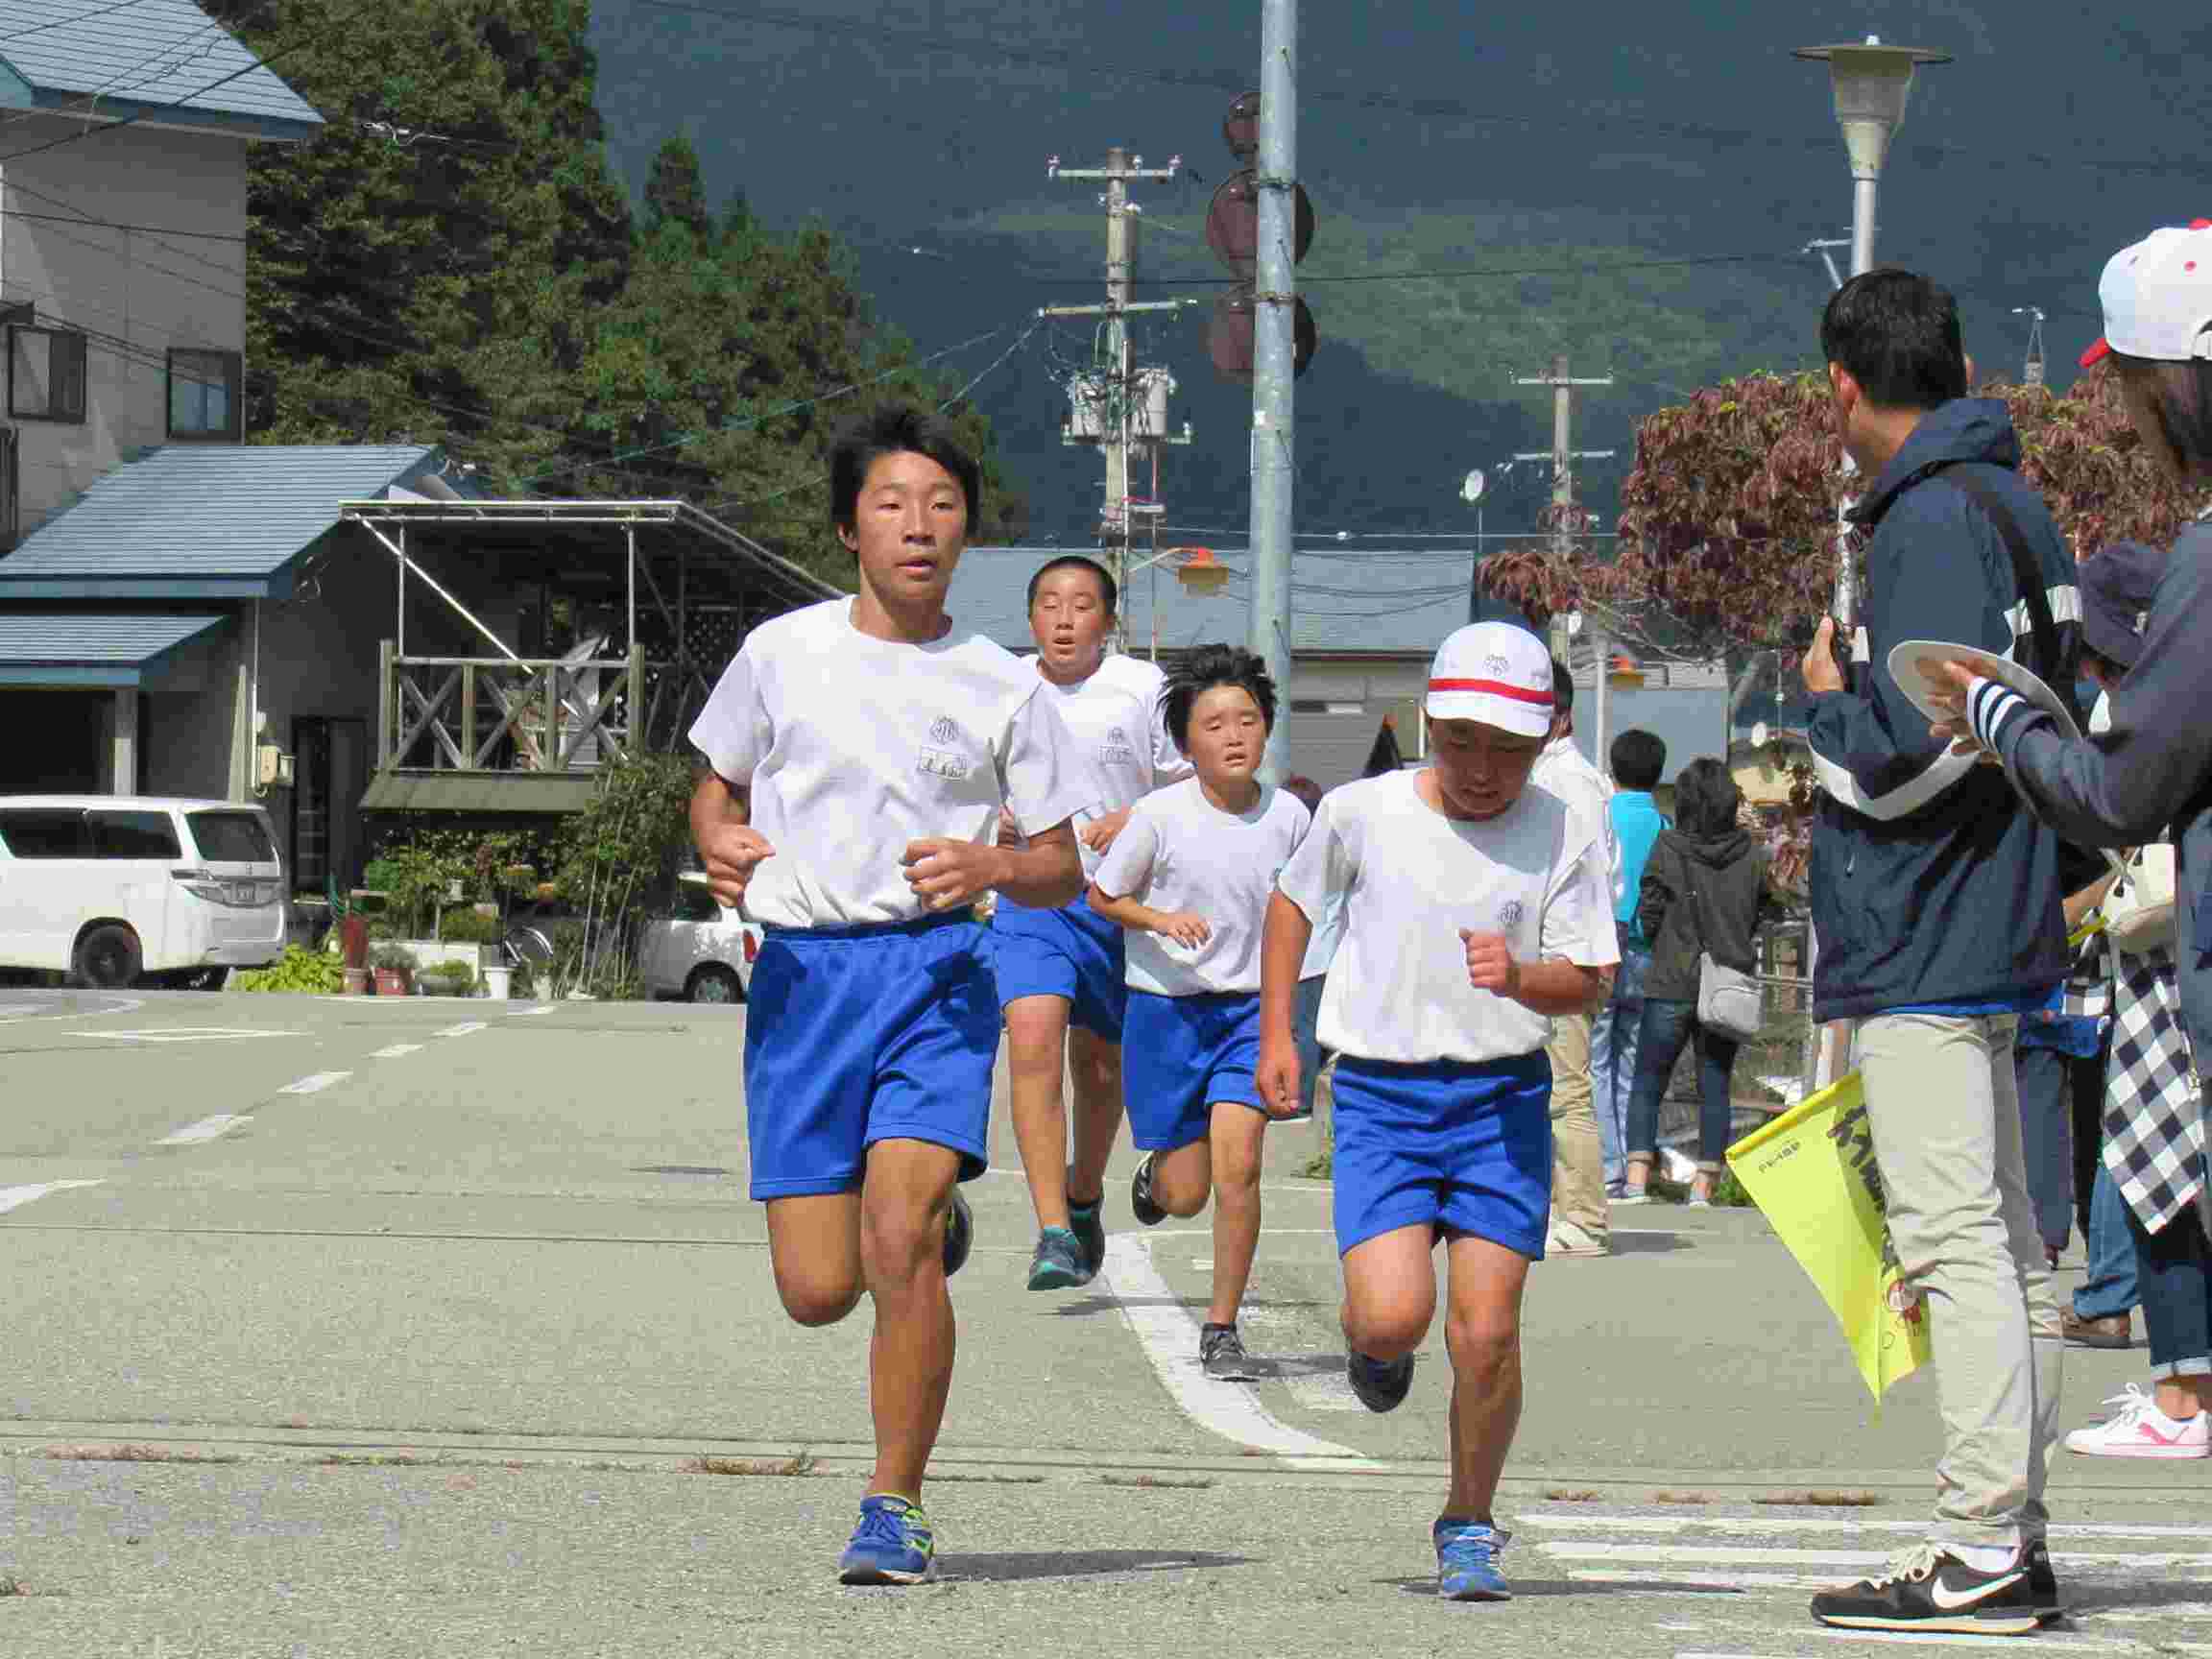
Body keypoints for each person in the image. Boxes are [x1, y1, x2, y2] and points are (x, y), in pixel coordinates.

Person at [687, 405, 1093, 1585]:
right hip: (805, 982)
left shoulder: (1004, 686)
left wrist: (993, 866)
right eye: (892, 504)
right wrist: (716, 836)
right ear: (848, 529)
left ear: (967, 532)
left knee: (899, 1236)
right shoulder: (781, 653)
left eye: (943, 506)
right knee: (819, 1291)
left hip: (937, 974)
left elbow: (1063, 864)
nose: (919, 526)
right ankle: (915, 1225)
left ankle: (895, 1503)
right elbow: (716, 785)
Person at [1798, 269, 2077, 1635]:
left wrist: (1824, 707)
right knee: (2010, 1249)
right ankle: (2012, 1534)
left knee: (1956, 1244)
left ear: (1843, 385)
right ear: (1959, 365)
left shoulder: (1930, 515)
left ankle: (1978, 1546)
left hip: (1925, 921)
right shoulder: (2015, 500)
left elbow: (1925, 749)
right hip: (2004, 902)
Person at [1258, 621, 1617, 1602]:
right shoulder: (1361, 811)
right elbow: (1291, 906)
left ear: (1546, 738)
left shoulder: (1566, 826)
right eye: (1462, 741)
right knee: (1391, 1318)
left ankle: (1469, 1521)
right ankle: (1373, 1349)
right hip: (1382, 1095)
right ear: (1428, 723)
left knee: (1486, 1333)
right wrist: (1279, 1033)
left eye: (1509, 748)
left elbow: (1589, 976)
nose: (1483, 769)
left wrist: (1524, 977)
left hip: (1501, 1101)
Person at [1927, 380, 2211, 1465]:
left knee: (2148, 1173)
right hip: (2135, 979)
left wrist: (2000, 717)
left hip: (2146, 975)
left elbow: (2111, 799)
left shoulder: (2171, 641)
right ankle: (2177, 1381)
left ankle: (2181, 1391)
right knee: (2138, 1171)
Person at [1090, 644, 1310, 1382]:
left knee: (1239, 1167)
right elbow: (1102, 896)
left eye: (1247, 720)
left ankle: (1222, 1329)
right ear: (1187, 744)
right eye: (1214, 725)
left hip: (1250, 1014)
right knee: (1185, 1194)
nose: (1234, 736)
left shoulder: (1290, 817)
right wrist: (1158, 920)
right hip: (1167, 1015)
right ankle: (1156, 1178)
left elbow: (1313, 912)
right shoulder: (1158, 815)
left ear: (1267, 727)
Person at [995, 555, 1190, 1289]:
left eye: (1081, 605)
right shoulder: (1004, 687)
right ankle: (1052, 1231)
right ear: (1031, 617)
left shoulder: (1143, 687)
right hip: (1032, 893)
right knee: (1033, 1038)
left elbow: (1190, 782)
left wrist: (1133, 817)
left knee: (1101, 1066)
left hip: (1117, 901)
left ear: (1108, 622)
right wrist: (991, 820)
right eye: (1049, 604)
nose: (1064, 618)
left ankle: (1083, 1193)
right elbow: (962, 780)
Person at [1620, 758, 1774, 1206]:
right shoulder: (1750, 854)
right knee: (1715, 1083)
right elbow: (1763, 910)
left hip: (1671, 975)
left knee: (1649, 1080)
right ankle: (1704, 1186)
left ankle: (1636, 1179)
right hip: (1725, 981)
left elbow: (1648, 910)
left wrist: (1663, 939)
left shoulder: (1667, 846)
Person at [1527, 658, 1621, 1259]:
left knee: (1566, 1090)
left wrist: (1590, 959)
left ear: (1559, 717)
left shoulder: (1570, 780)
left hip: (1569, 954)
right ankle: (1559, 1211)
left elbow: (1593, 874)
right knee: (1547, 1090)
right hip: (1546, 955)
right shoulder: (1547, 774)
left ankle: (1583, 1218)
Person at [1593, 729, 1668, 1195]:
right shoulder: (1664, 826)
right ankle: (1631, 1167)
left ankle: (1608, 1167)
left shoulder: (1600, 816)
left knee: (1596, 1059)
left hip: (1604, 949)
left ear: (1613, 768)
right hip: (1648, 952)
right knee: (1632, 1063)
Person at [1279, 773, 1338, 1123]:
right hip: (1323, 956)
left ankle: (1298, 1100)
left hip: (1309, 958)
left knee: (1303, 1030)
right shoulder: (1329, 847)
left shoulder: (1301, 854)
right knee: (1309, 1028)